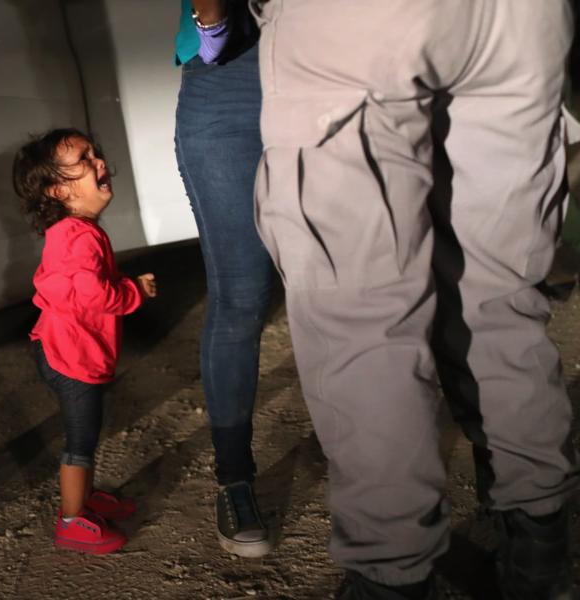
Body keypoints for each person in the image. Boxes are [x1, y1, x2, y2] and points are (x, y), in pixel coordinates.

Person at [248, 0, 578, 598]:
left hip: (360, 23)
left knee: (363, 316)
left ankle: (393, 573)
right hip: (526, 19)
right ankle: (540, 553)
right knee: (501, 293)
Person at [13, 128, 158, 554]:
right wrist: (134, 292)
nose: (99, 161)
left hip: (59, 346)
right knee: (81, 440)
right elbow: (96, 297)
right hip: (70, 357)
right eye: (84, 158)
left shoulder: (70, 232)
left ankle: (85, 498)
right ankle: (72, 521)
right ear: (59, 190)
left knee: (87, 434)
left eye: (96, 153)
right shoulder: (82, 238)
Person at [174, 0, 278, 557]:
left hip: (324, 67)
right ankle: (234, 478)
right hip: (231, 85)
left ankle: (374, 482)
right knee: (241, 295)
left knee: (338, 286)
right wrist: (212, 25)